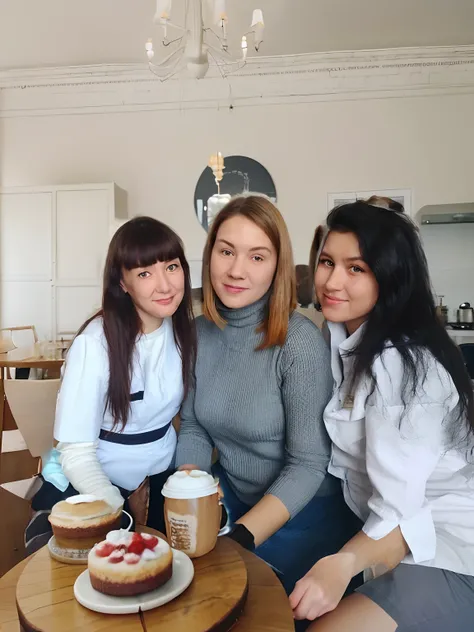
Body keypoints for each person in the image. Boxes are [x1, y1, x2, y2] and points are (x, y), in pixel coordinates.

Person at [290, 201, 474, 631]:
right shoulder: (341, 337)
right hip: (396, 538)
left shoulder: (403, 363)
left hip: (451, 546)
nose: (333, 281)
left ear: (389, 277)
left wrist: (343, 564)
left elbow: (400, 508)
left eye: (357, 268)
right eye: (327, 263)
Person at [175, 195, 359, 594]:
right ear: (209, 256)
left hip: (303, 516)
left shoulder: (298, 343)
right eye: (226, 251)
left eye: (257, 257)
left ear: (277, 267)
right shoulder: (198, 334)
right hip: (234, 500)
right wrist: (191, 491)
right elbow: (193, 426)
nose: (237, 270)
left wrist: (240, 539)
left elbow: (309, 464)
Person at [28, 217, 196, 551]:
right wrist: (112, 509)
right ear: (123, 282)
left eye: (172, 267)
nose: (165, 285)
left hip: (162, 475)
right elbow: (75, 451)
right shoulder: (95, 344)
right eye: (145, 273)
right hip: (97, 479)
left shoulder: (184, 332)